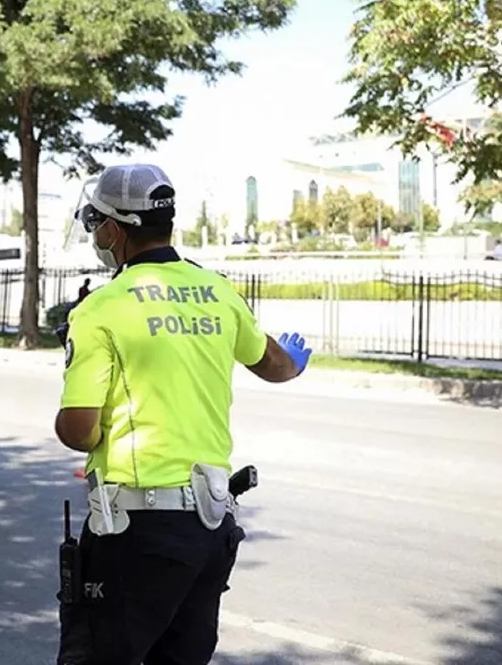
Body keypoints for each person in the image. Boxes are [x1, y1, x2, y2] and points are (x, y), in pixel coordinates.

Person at [53, 164, 311, 665]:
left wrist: (80, 424)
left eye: (93, 223)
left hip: (135, 535)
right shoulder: (217, 291)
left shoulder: (101, 308)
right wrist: (296, 364)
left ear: (113, 228)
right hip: (210, 529)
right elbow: (275, 364)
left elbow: (80, 430)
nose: (95, 235)